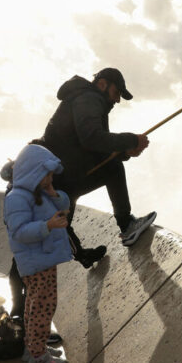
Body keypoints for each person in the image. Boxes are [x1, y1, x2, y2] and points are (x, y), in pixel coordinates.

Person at [38, 67, 157, 268]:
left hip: (62, 174)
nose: (118, 100)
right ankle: (127, 225)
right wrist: (130, 140)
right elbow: (92, 138)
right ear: (103, 84)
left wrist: (126, 152)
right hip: (58, 176)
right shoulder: (89, 98)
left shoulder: (88, 99)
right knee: (113, 169)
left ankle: (82, 254)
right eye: (117, 92)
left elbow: (96, 149)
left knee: (61, 225)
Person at [3, 144, 70, 363]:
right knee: (42, 308)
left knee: (36, 307)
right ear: (33, 171)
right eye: (47, 174)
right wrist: (47, 226)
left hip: (42, 260)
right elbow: (19, 231)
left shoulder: (38, 192)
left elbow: (64, 205)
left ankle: (32, 349)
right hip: (36, 263)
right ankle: (38, 358)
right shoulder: (17, 198)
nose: (50, 178)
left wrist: (53, 192)